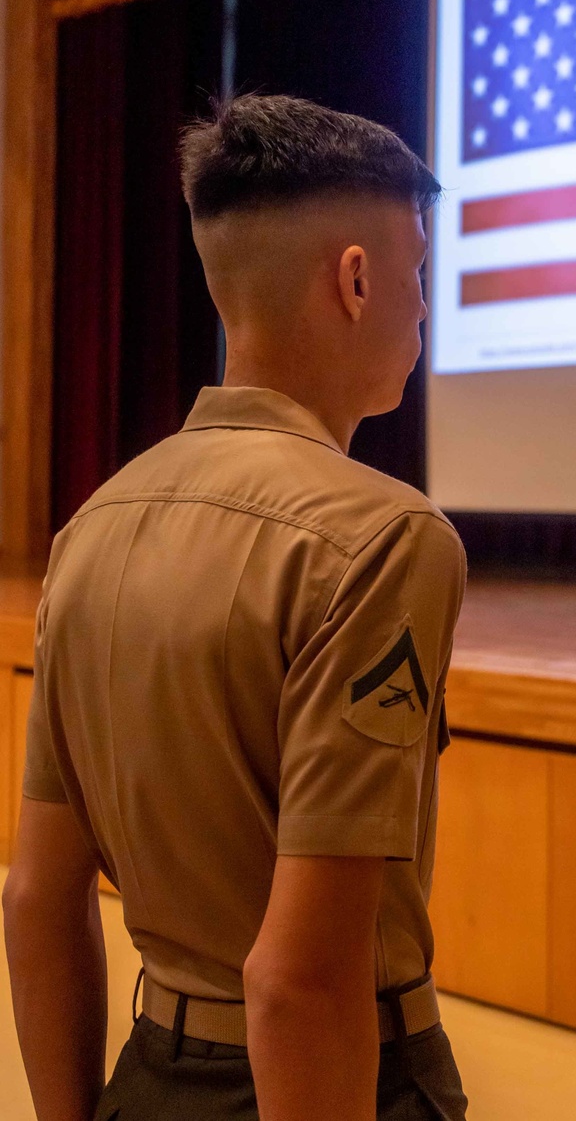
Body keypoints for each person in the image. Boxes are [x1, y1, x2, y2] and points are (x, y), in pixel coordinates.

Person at [3, 94, 469, 1121]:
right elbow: (299, 979)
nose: (426, 305)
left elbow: (36, 895)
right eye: (419, 270)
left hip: (144, 1078)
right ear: (354, 279)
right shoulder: (386, 537)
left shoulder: (89, 530)